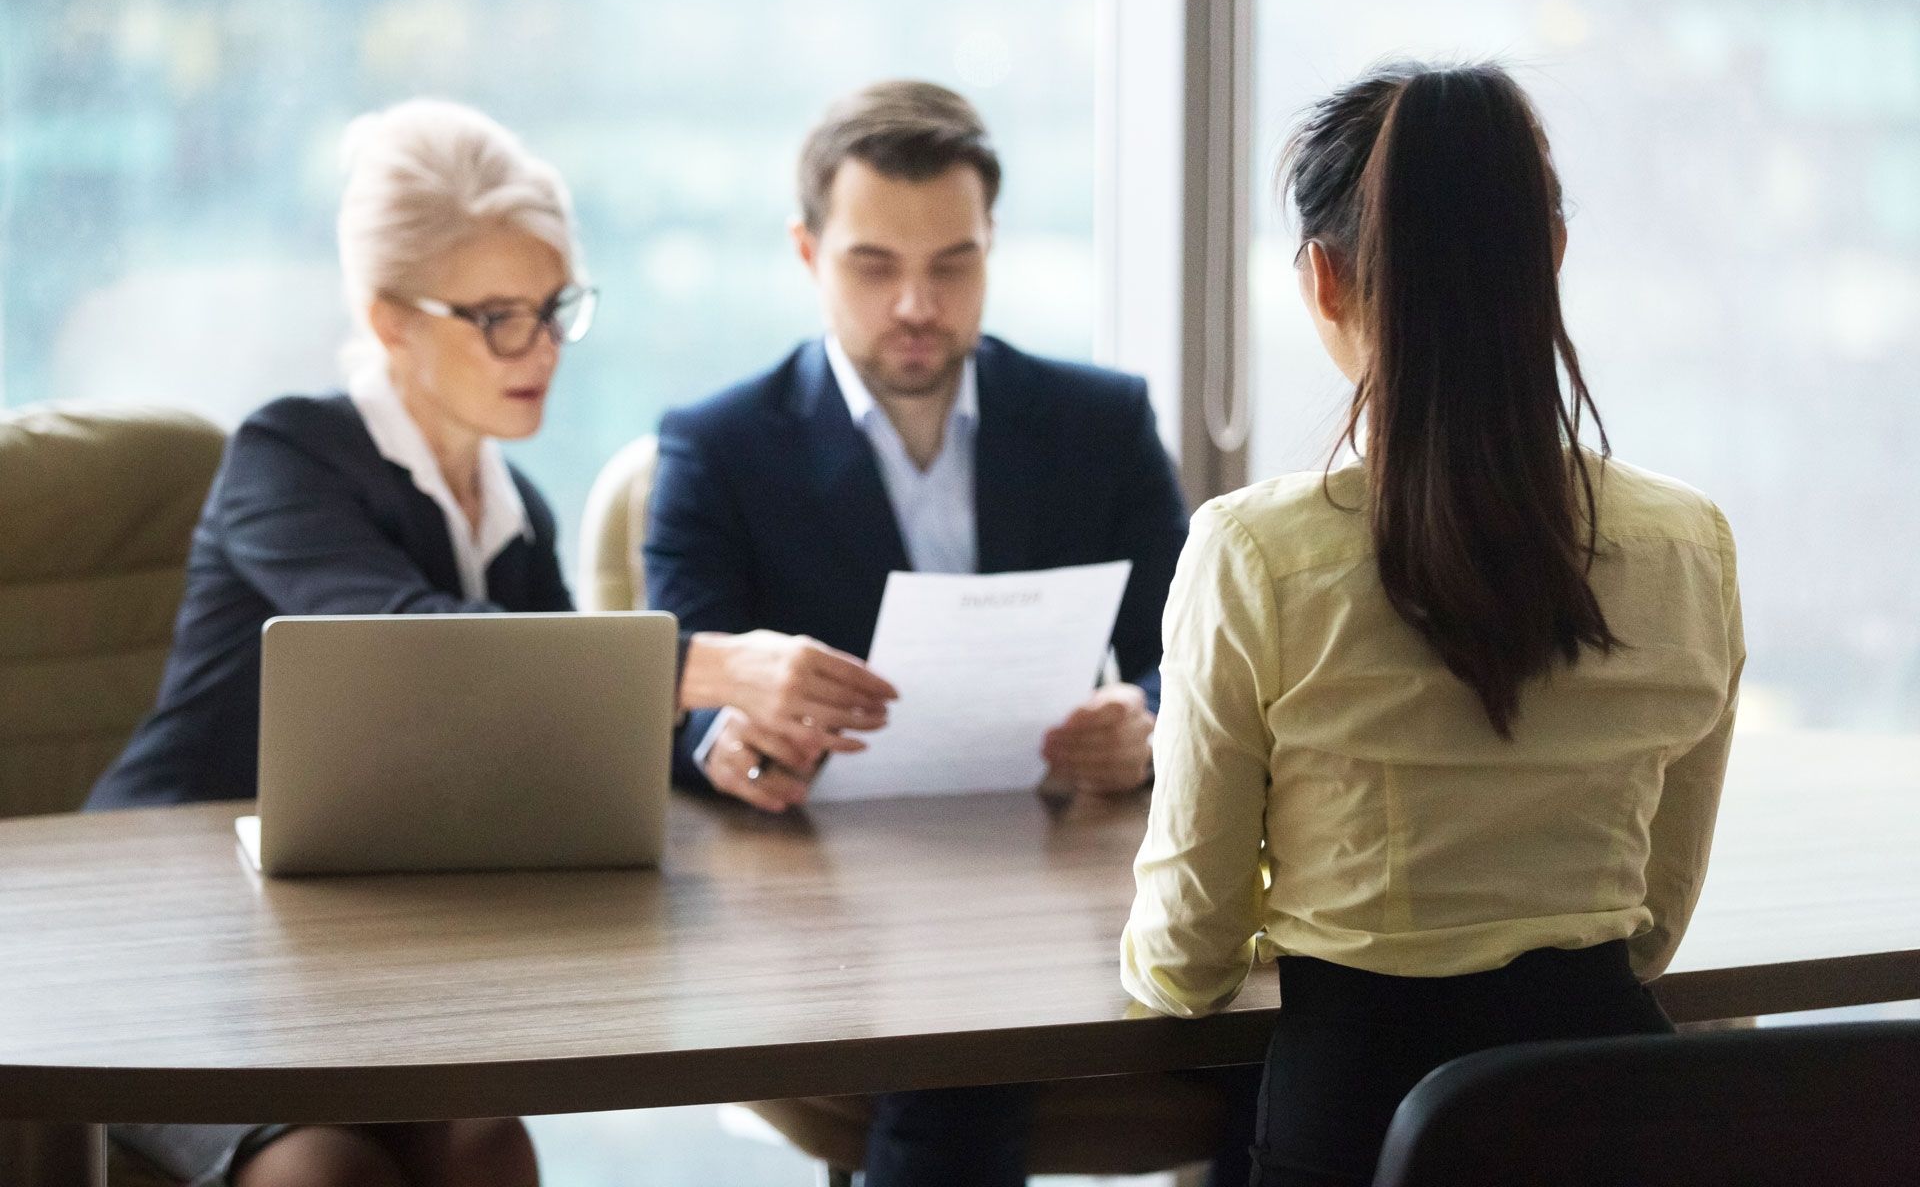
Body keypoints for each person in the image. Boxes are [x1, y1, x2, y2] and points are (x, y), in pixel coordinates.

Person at [83, 99, 880, 1187]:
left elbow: (567, 725)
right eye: (499, 315)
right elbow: (414, 643)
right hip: (175, 920)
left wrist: (710, 741)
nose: (541, 347)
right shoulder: (287, 456)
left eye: (555, 308)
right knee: (327, 1171)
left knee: (488, 1144)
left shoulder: (515, 518)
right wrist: (713, 661)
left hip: (359, 935)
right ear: (392, 318)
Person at [1121, 62, 1746, 1186]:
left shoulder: (1255, 553)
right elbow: (1651, 925)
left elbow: (1187, 957)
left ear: (1323, 277)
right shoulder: (1688, 543)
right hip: (1617, 1124)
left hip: (1363, 1132)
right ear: (1549, 256)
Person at [644, 80, 1255, 1186]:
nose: (917, 302)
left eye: (953, 263)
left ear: (992, 248)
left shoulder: (1099, 422)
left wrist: (1151, 718)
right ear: (806, 250)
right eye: (875, 265)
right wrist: (718, 738)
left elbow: (1202, 648)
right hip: (845, 894)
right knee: (960, 1059)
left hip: (1070, 867)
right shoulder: (717, 444)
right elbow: (670, 664)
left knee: (1291, 1030)